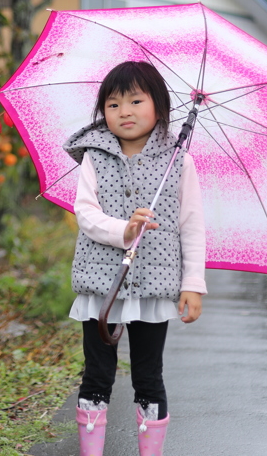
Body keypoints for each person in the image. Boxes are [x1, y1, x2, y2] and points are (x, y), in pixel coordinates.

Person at [62, 60, 206, 456]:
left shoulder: (180, 163)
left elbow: (191, 226)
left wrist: (193, 284)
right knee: (96, 374)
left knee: (148, 375)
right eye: (112, 104)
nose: (124, 112)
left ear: (159, 106)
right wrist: (122, 230)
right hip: (102, 286)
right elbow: (86, 214)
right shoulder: (94, 157)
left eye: (135, 101)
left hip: (154, 289)